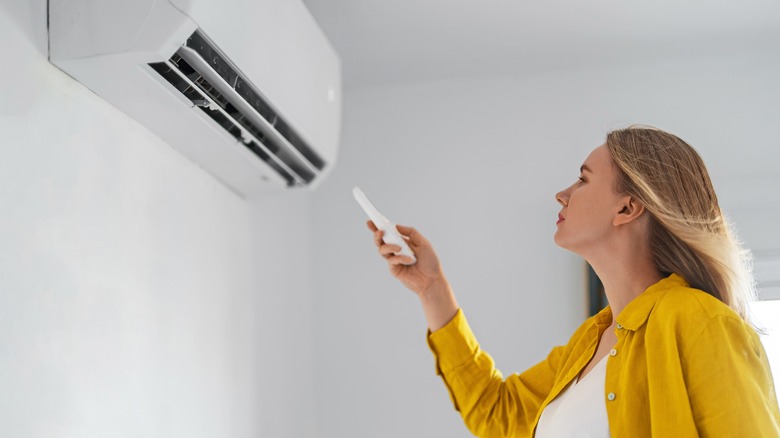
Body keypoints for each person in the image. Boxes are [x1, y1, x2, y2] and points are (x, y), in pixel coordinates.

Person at [366, 126, 780, 437]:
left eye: (583, 179)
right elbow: (498, 413)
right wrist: (431, 289)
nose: (562, 194)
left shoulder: (699, 321)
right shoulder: (588, 344)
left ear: (628, 206)